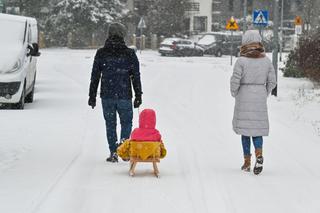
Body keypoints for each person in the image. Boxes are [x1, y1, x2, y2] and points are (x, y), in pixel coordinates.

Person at [88, 22, 143, 163]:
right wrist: (138, 95)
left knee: (110, 124)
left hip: (107, 95)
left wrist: (92, 96)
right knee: (126, 123)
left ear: (109, 34)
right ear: (123, 35)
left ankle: (113, 152)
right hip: (124, 95)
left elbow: (95, 76)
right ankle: (124, 151)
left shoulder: (101, 53)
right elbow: (135, 76)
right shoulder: (129, 54)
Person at [230, 30, 276, 175]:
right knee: (257, 131)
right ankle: (259, 155)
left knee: (245, 131)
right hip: (259, 97)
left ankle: (246, 162)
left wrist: (235, 92)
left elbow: (235, 80)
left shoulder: (241, 61)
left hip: (244, 97)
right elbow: (272, 81)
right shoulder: (266, 61)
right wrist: (265, 93)